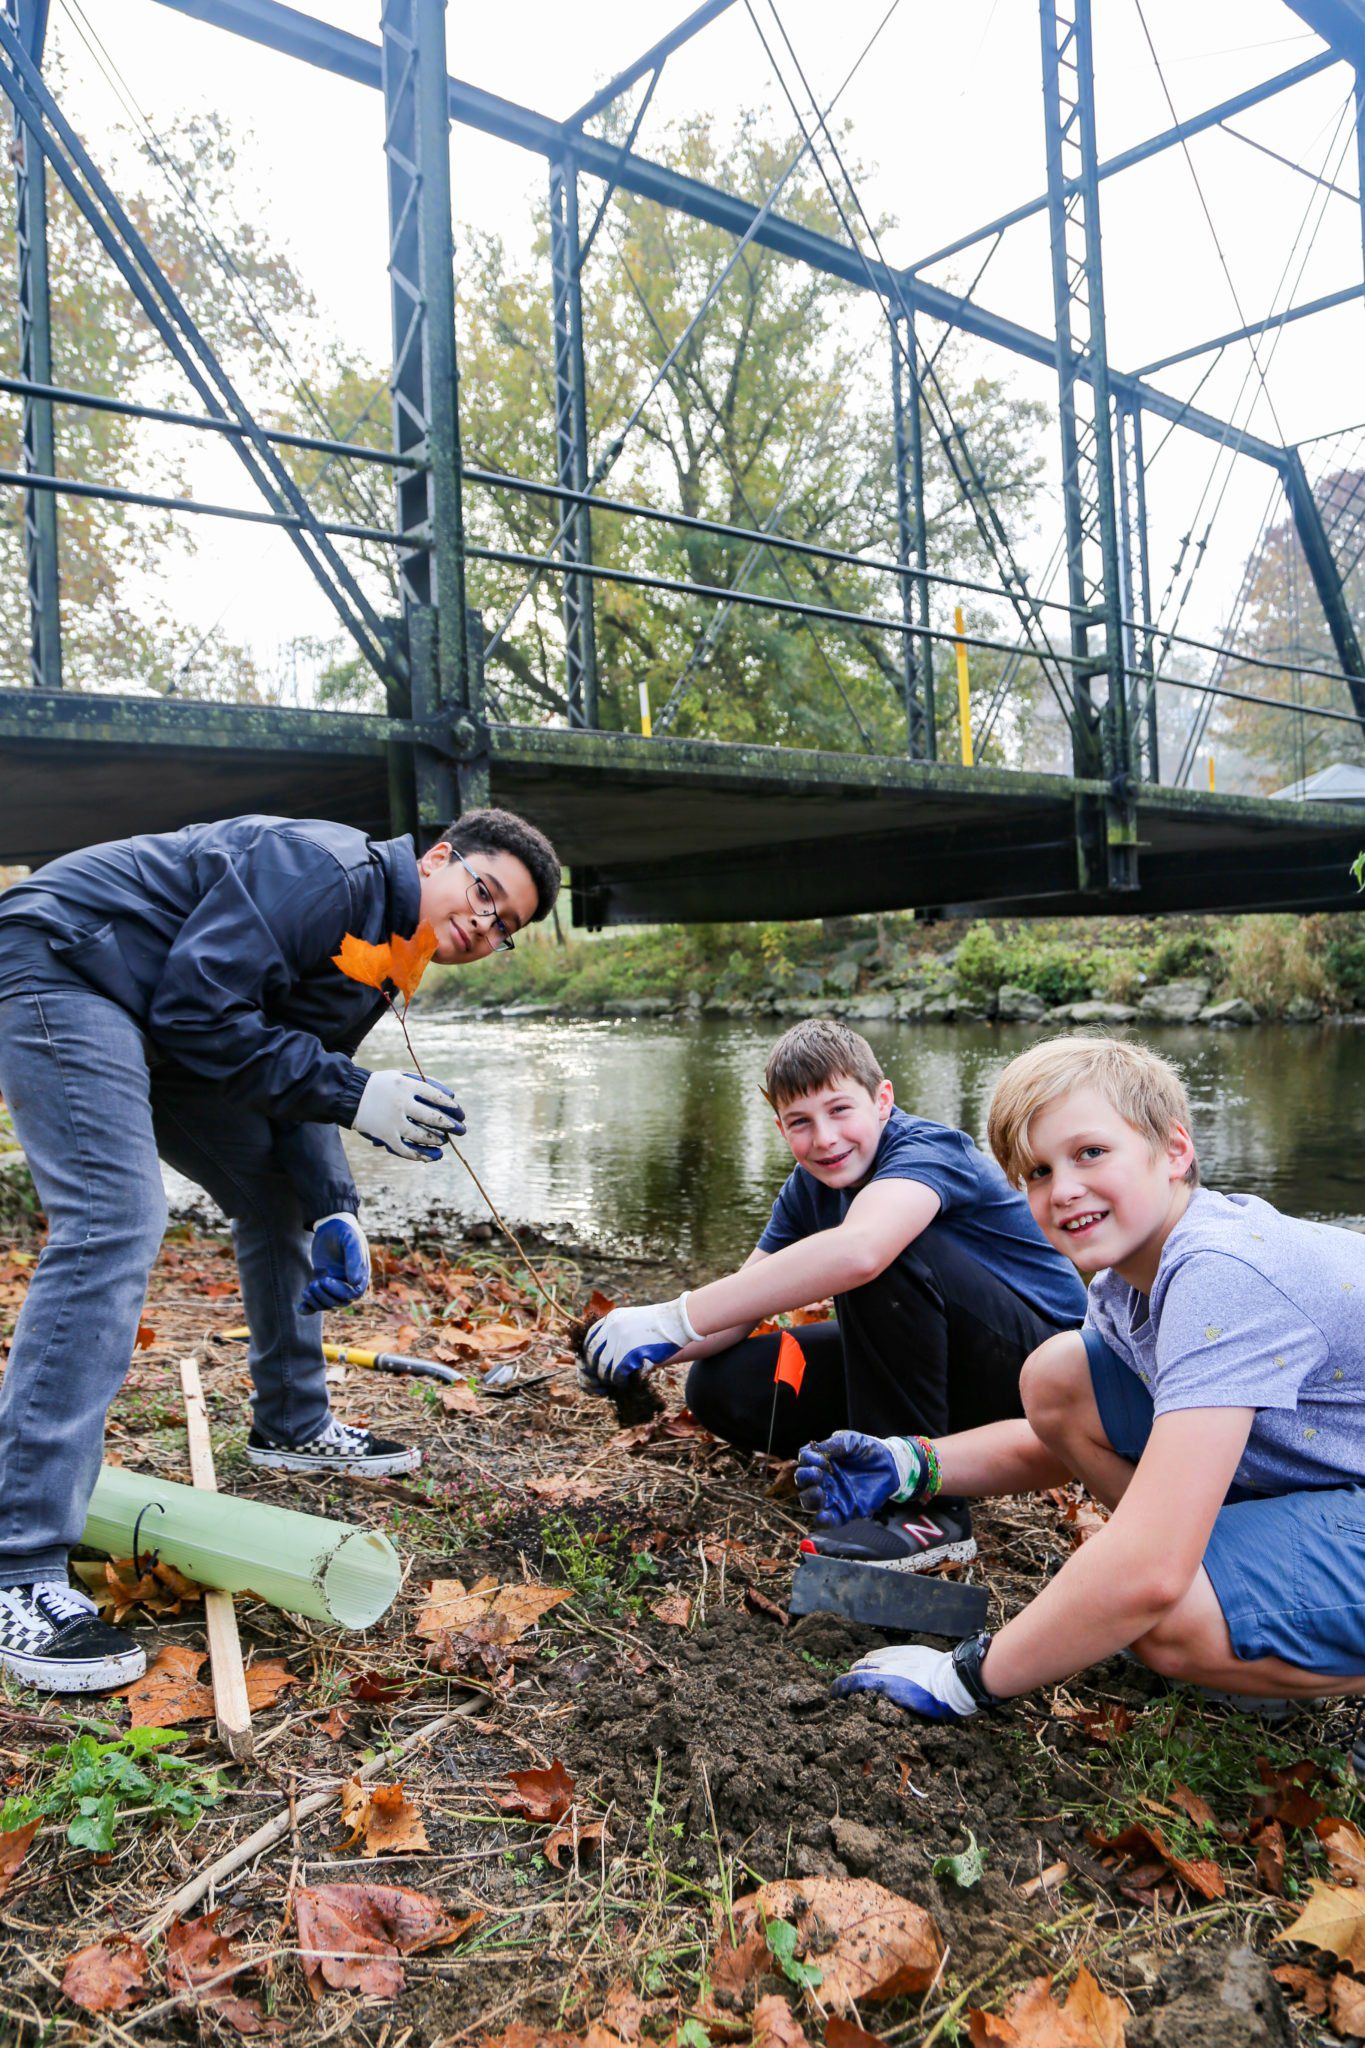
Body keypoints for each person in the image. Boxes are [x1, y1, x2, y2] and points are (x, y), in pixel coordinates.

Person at [0, 805, 560, 1692]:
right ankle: (18, 1566)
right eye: (484, 893)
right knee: (117, 1217)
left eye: (505, 928)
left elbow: (293, 1075)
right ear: (441, 857)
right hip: (73, 963)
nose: (483, 925)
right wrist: (355, 1091)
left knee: (275, 1190)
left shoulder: (385, 956)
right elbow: (203, 1009)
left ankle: (294, 1424)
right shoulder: (326, 872)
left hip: (165, 1010)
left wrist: (334, 1207)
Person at [806, 1036, 1365, 1731]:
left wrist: (966, 1678)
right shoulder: (1124, 1286)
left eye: (1090, 1153)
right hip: (1336, 1471)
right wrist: (912, 1463)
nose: (1062, 1189)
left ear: (1172, 1151)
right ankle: (1247, 1611)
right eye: (1037, 1171)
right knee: (1059, 1376)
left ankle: (1245, 1629)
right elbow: (1055, 1435)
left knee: (1161, 1611)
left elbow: (1151, 1572)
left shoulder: (1222, 1275)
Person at [579, 1018, 1086, 1569]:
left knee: (884, 1255)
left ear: (882, 1100)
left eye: (840, 1110)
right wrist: (641, 1350)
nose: (824, 1138)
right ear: (780, 1129)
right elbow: (740, 1306)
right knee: (722, 1385)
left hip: (1039, 1373)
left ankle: (927, 1512)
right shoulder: (807, 1189)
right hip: (935, 1372)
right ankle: (868, 1464)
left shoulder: (928, 1149)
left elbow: (862, 1250)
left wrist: (671, 1316)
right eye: (800, 1122)